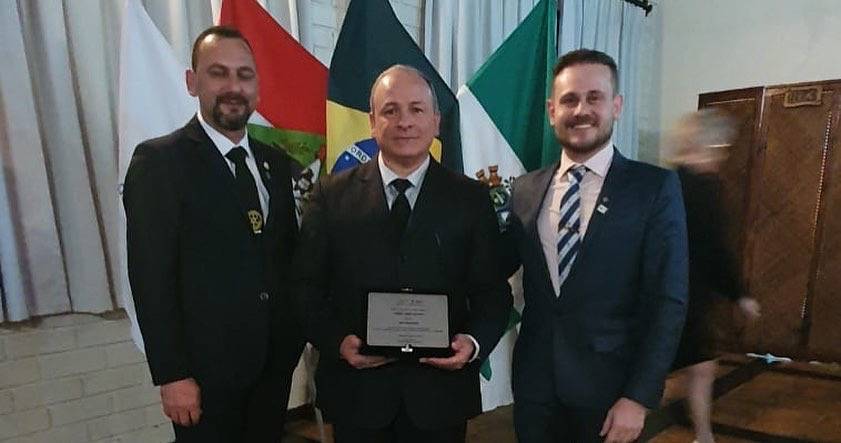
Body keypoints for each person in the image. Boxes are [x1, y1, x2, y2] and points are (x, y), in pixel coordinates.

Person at [293, 64, 512, 442]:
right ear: (372, 122)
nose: (405, 122)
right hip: (358, 394)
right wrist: (336, 341)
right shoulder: (331, 195)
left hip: (439, 396)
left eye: (417, 109)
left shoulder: (471, 199)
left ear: (436, 121)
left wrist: (473, 343)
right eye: (391, 110)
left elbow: (493, 292)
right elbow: (304, 287)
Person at [123, 26, 304, 442]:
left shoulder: (275, 163)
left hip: (272, 367)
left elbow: (282, 257)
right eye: (218, 73)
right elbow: (151, 277)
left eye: (244, 75)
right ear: (192, 82)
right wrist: (172, 374)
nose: (233, 87)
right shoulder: (159, 163)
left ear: (257, 86)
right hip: (203, 377)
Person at [504, 49, 689, 443]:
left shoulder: (653, 189)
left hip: (610, 395)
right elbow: (490, 268)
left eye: (594, 98)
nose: (581, 110)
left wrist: (638, 397)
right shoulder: (524, 190)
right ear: (552, 111)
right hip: (535, 390)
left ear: (616, 106)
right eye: (569, 99)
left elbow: (668, 301)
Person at [666, 110, 761, 443]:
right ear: (707, 145)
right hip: (684, 296)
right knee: (695, 369)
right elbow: (715, 248)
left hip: (675, 292)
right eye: (721, 146)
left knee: (697, 368)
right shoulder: (704, 187)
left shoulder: (669, 181)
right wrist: (740, 294)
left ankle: (703, 435)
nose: (722, 154)